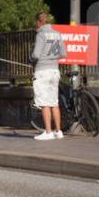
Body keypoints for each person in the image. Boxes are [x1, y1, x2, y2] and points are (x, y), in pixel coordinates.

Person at [31, 11, 67, 141]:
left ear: (39, 22)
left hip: (43, 71)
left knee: (44, 102)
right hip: (54, 70)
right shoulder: (57, 33)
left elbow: (36, 54)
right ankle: (58, 131)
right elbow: (63, 53)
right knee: (54, 102)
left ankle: (48, 132)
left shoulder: (41, 34)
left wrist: (32, 58)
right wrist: (52, 58)